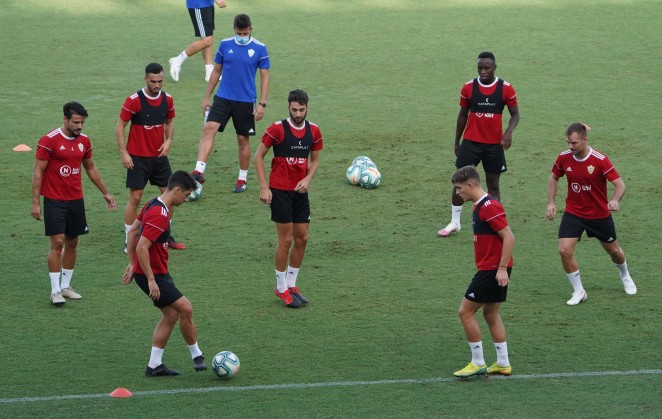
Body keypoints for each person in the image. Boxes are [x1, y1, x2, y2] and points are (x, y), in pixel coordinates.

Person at [122, 171, 207, 376]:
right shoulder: (159, 214)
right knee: (185, 308)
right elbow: (142, 246)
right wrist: (150, 279)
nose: (186, 200)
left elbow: (132, 230)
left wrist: (131, 263)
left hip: (156, 271)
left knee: (171, 314)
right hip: (153, 275)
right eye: (186, 195)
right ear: (176, 190)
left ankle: (154, 365)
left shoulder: (156, 203)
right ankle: (197, 356)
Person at [32, 101, 117, 306]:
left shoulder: (84, 141)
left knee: (72, 242)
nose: (80, 126)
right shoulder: (48, 141)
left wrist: (105, 192)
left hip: (75, 199)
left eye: (82, 123)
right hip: (53, 200)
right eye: (76, 122)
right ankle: (55, 291)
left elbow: (90, 168)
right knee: (57, 243)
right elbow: (38, 171)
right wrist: (36, 202)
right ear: (65, 119)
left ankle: (66, 287)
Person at [545, 123, 636, 305]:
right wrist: (551, 202)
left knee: (614, 251)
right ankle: (579, 291)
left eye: (574, 143)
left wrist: (615, 200)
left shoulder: (600, 160)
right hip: (574, 212)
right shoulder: (564, 157)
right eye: (568, 142)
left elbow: (620, 184)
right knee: (564, 250)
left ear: (585, 140)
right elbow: (554, 177)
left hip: (598, 214)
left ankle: (625, 275)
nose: (570, 147)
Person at [438, 51, 520, 237]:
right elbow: (462, 115)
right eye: (480, 68)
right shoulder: (469, 87)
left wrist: (508, 132)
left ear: (494, 68)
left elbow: (516, 114)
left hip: (493, 146)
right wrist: (457, 141)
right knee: (459, 183)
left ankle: (494, 222)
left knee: (493, 184)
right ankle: (455, 222)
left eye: (487, 68)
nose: (483, 71)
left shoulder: (505, 88)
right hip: (471, 143)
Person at [254, 90, 323, 308]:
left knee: (302, 238)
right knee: (286, 240)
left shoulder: (314, 131)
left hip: (300, 192)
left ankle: (292, 284)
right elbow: (259, 156)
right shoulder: (277, 129)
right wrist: (264, 187)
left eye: (301, 110)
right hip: (280, 191)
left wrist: (308, 179)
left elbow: (315, 160)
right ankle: (281, 287)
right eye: (294, 110)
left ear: (307, 108)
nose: (298, 114)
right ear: (288, 108)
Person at [191, 13, 270, 193]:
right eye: (239, 33)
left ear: (251, 29)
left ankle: (242, 179)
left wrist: (262, 104)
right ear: (234, 29)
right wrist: (206, 96)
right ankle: (199, 171)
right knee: (209, 128)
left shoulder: (260, 48)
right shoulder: (225, 44)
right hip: (223, 97)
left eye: (245, 33)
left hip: (245, 101)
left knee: (242, 139)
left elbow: (265, 77)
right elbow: (216, 71)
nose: (242, 37)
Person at [450, 165, 515, 378]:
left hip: (492, 270)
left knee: (465, 312)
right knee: (490, 313)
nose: (457, 193)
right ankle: (503, 363)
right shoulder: (480, 205)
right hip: (492, 268)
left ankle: (478, 362)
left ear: (470, 185)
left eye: (459, 188)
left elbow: (509, 237)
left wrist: (502, 269)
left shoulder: (489, 206)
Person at [116, 63, 185, 253]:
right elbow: (120, 126)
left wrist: (169, 140)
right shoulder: (134, 100)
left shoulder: (167, 99)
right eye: (153, 81)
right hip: (137, 158)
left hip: (159, 157)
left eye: (160, 81)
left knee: (170, 196)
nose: (157, 85)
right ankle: (129, 239)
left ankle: (164, 235)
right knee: (135, 198)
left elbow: (169, 122)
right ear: (146, 79)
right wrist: (124, 152)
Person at [168, 0, 228, 83]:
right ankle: (178, 60)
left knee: (208, 36)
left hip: (207, 4)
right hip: (199, 4)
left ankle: (209, 70)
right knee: (207, 40)